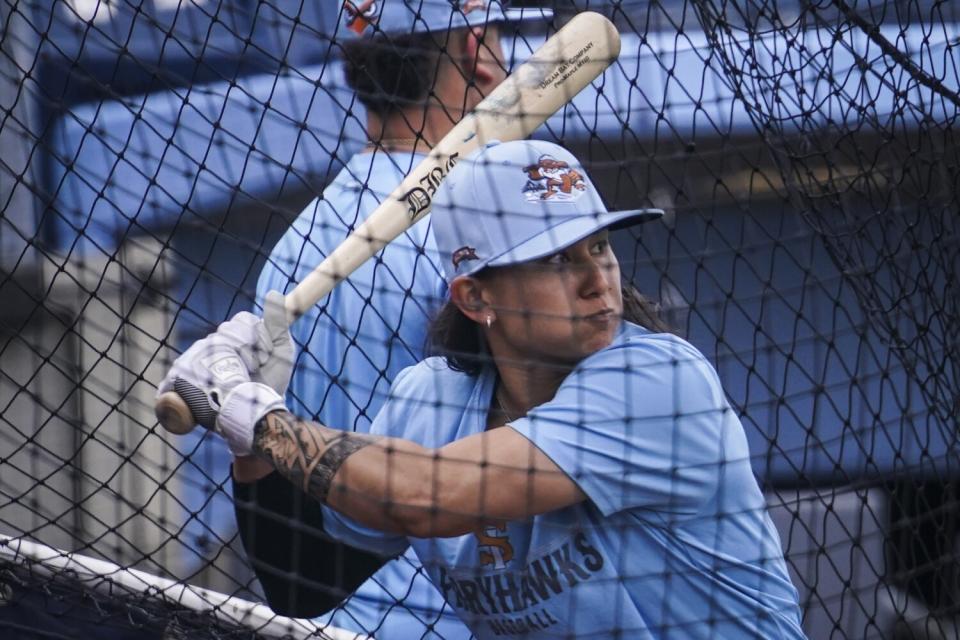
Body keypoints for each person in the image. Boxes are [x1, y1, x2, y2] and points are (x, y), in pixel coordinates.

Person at [160, 139, 807, 639]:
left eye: (600, 248)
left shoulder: (656, 382)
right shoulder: (430, 400)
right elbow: (308, 581)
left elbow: (425, 497)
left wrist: (257, 416)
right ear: (475, 296)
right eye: (558, 260)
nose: (597, 281)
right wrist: (247, 446)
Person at [232, 1, 546, 637]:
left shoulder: (290, 252)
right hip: (484, 603)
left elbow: (278, 515)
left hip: (338, 611)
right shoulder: (494, 227)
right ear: (475, 51)